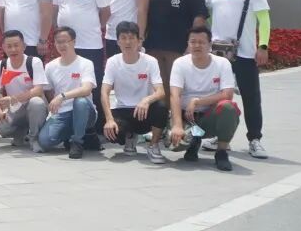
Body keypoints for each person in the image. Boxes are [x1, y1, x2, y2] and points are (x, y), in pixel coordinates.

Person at [204, 0, 270, 159]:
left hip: (245, 54)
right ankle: (219, 137)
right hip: (218, 55)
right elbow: (208, 18)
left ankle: (255, 140)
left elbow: (264, 19)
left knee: (251, 98)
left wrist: (263, 46)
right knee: (217, 97)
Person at [51, 0, 110, 129]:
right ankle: (70, 123)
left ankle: (98, 126)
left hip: (90, 43)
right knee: (69, 83)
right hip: (66, 46)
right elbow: (56, 10)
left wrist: (94, 27)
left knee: (93, 84)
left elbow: (106, 12)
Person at [168, 26, 240, 171]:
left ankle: (221, 152)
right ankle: (193, 141)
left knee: (228, 107)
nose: (197, 45)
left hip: (209, 116)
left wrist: (197, 101)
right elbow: (175, 95)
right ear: (188, 44)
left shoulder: (222, 63)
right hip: (186, 117)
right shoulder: (180, 63)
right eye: (193, 42)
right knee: (173, 145)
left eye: (201, 42)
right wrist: (177, 125)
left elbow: (227, 94)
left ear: (210, 45)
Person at [100, 21, 167, 164]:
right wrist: (109, 120)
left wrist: (146, 100)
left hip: (144, 110)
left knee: (161, 107)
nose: (127, 42)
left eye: (131, 38)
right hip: (122, 109)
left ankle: (153, 145)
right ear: (118, 42)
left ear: (139, 41)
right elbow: (104, 92)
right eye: (123, 38)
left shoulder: (150, 61)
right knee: (112, 133)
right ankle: (130, 136)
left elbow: (160, 92)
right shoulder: (113, 62)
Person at [143, 0, 206, 95]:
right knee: (157, 87)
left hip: (178, 49)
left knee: (177, 88)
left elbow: (199, 19)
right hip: (153, 48)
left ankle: (178, 111)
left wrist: (191, 46)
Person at [38, 27, 99, 158]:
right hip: (62, 113)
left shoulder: (86, 63)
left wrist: (62, 96)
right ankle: (73, 134)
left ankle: (77, 142)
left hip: (85, 111)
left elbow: (86, 89)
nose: (61, 45)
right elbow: (47, 90)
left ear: (74, 42)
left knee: (80, 101)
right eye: (58, 42)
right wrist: (52, 107)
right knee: (45, 141)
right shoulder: (50, 66)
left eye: (65, 41)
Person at [0, 30, 47, 151]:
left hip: (32, 106)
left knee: (36, 102)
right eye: (9, 46)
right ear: (3, 48)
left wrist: (13, 99)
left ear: (24, 46)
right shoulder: (0, 65)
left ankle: (34, 138)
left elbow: (38, 90)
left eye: (16, 45)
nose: (13, 49)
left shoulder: (34, 62)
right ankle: (20, 133)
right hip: (14, 109)